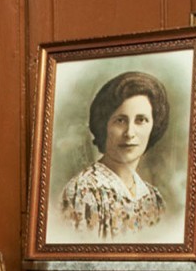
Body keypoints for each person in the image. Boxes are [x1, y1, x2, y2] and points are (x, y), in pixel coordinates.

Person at [59, 71, 170, 238]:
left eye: (141, 120)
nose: (130, 133)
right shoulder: (84, 192)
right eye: (120, 120)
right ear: (104, 125)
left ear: (154, 125)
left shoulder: (153, 198)